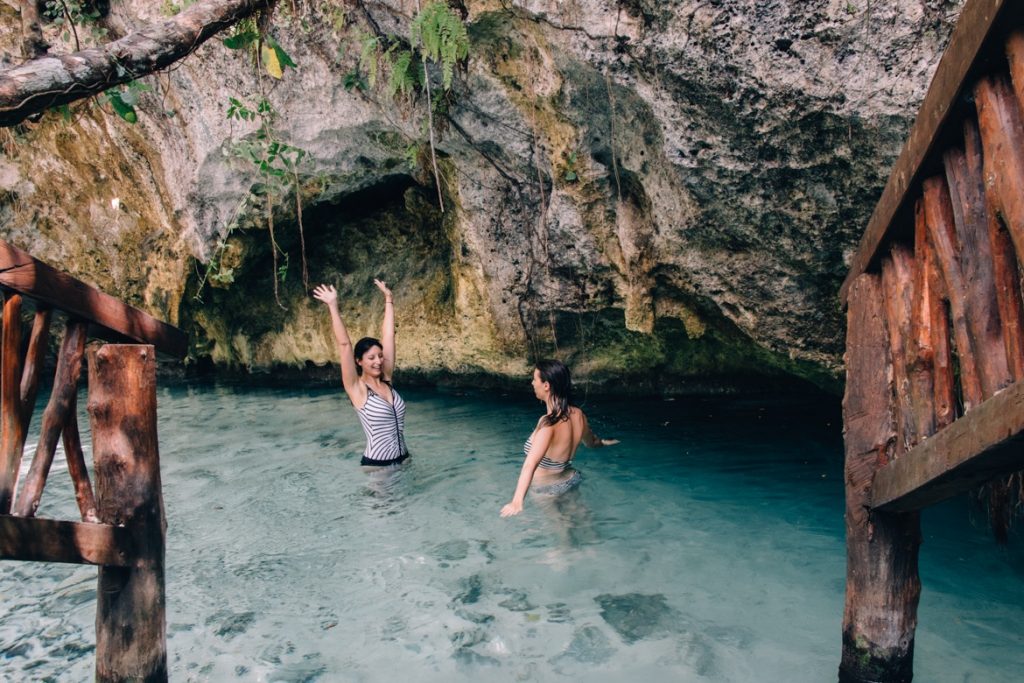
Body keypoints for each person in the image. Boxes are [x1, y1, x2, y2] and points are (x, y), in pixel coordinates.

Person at [500, 359, 617, 517]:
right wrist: (606, 442)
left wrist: (517, 501)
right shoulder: (578, 414)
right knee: (585, 522)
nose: (532, 383)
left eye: (535, 379)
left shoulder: (548, 423)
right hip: (571, 478)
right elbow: (592, 442)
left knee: (563, 536)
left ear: (546, 385)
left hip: (547, 489)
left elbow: (530, 464)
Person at [313, 279, 409, 468]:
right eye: (371, 358)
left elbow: (389, 335)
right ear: (359, 361)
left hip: (405, 459)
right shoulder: (357, 389)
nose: (378, 361)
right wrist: (332, 305)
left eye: (380, 356)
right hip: (378, 467)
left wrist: (389, 299)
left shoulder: (386, 378)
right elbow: (344, 345)